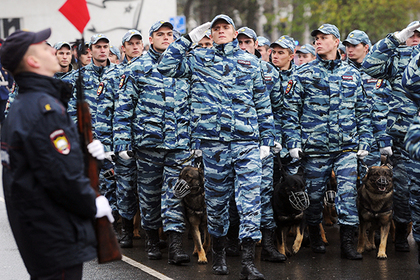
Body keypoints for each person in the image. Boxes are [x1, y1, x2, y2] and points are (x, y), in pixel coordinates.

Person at [158, 15, 275, 279]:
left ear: (235, 34)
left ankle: (247, 262)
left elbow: (262, 103)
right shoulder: (198, 59)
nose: (221, 31)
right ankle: (219, 255)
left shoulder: (251, 62)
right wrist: (188, 39)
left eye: (226, 28)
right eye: (216, 28)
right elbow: (165, 67)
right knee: (217, 203)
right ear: (209, 34)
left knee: (250, 201)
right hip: (213, 144)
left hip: (246, 142)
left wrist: (267, 139)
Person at [0, 28, 112, 280]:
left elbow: (44, 162)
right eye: (44, 47)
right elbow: (60, 175)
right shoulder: (43, 109)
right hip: (53, 231)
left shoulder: (28, 105)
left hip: (41, 229)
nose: (53, 51)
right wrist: (91, 202)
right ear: (33, 61)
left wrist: (84, 155)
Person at [283, 23, 373, 260]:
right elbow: (290, 111)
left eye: (324, 38)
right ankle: (314, 235)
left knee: (347, 194)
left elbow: (363, 111)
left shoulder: (353, 74)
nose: (318, 42)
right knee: (313, 197)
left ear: (336, 42)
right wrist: (293, 142)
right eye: (316, 39)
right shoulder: (303, 73)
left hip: (346, 147)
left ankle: (347, 243)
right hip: (315, 148)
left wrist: (364, 140)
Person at [114, 20, 192, 263]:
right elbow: (124, 108)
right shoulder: (137, 68)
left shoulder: (185, 65)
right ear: (151, 39)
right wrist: (122, 142)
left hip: (178, 143)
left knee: (176, 193)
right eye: (160, 34)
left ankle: (175, 245)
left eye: (170, 34)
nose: (166, 38)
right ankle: (150, 238)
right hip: (148, 143)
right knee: (148, 195)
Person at [362, 21, 420, 254]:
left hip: (416, 137)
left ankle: (405, 233)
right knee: (400, 188)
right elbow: (369, 65)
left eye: (418, 34)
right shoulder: (397, 55)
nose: (415, 37)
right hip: (396, 134)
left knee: (411, 190)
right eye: (412, 34)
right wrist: (394, 38)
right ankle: (399, 236)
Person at [66, 33, 119, 232]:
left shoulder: (120, 74)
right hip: (87, 142)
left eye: (106, 46)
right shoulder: (77, 77)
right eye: (98, 47)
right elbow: (71, 110)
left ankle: (109, 226)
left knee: (111, 183)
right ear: (90, 50)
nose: (102, 50)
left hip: (111, 142)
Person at [343, 30, 392, 186]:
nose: (350, 49)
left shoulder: (378, 72)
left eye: (354, 46)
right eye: (347, 46)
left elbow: (383, 108)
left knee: (371, 185)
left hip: (372, 139)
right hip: (347, 139)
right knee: (347, 187)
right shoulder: (342, 72)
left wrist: (384, 139)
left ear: (366, 47)